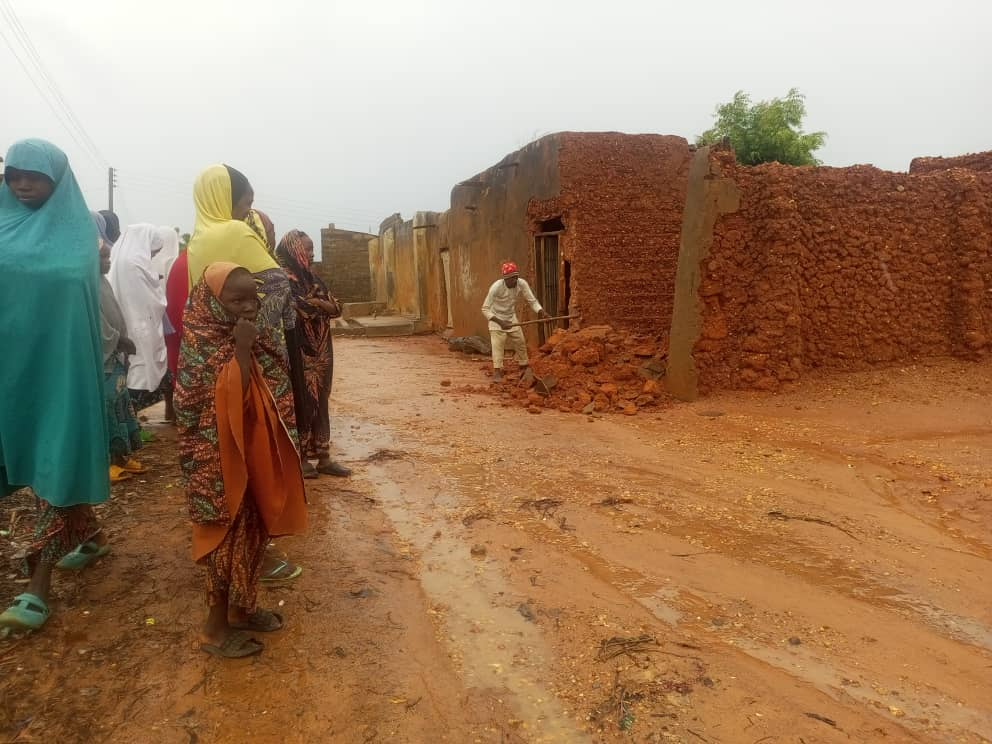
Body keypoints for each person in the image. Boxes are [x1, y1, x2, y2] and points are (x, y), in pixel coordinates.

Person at [0, 139, 111, 633]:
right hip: (11, 370)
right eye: (13, 175)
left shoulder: (78, 236)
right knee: (33, 455)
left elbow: (78, 296)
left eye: (33, 176)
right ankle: (87, 535)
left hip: (62, 371)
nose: (22, 184)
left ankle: (37, 585)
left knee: (55, 459)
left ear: (59, 180)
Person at [175, 262, 307, 657]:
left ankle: (242, 607)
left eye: (253, 298)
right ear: (214, 302)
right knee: (226, 535)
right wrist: (243, 349)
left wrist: (248, 345)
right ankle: (214, 629)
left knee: (253, 528)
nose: (249, 307)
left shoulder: (249, 334)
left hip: (252, 452)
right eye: (237, 300)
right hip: (217, 462)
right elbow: (224, 399)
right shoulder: (202, 339)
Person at [185, 165, 305, 583]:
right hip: (251, 358)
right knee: (260, 447)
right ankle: (257, 550)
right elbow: (278, 286)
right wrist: (257, 335)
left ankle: (226, 550)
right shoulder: (232, 234)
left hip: (209, 359)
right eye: (244, 202)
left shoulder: (198, 238)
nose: (246, 212)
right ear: (225, 199)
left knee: (224, 456)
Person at [276, 230, 351, 477]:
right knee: (301, 401)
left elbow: (337, 307)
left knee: (321, 400)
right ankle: (301, 458)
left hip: (321, 352)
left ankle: (324, 457)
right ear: (293, 249)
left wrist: (319, 304)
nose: (311, 253)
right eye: (307, 249)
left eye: (311, 249)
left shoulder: (311, 279)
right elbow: (303, 309)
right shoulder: (282, 279)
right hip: (299, 351)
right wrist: (320, 304)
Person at [93, 212, 144, 482]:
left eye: (108, 257)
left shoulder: (101, 280)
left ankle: (122, 455)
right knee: (108, 408)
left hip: (114, 356)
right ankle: (108, 462)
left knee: (121, 404)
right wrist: (117, 339)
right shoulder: (87, 283)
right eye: (102, 258)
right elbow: (96, 321)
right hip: (104, 357)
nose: (107, 261)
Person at [107, 224, 170, 412]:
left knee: (130, 364)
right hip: (139, 320)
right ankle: (134, 408)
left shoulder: (117, 256)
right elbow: (152, 299)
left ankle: (129, 411)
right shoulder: (136, 262)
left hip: (121, 319)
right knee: (141, 364)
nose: (152, 256)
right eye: (153, 252)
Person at [482, 261, 548, 382]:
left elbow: (532, 300)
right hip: (496, 318)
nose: (514, 281)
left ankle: (524, 366)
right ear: (505, 279)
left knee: (520, 341)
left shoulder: (521, 284)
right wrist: (500, 322)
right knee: (498, 346)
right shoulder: (496, 287)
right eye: (511, 279)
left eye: (516, 278)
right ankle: (497, 371)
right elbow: (485, 309)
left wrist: (541, 311)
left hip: (511, 317)